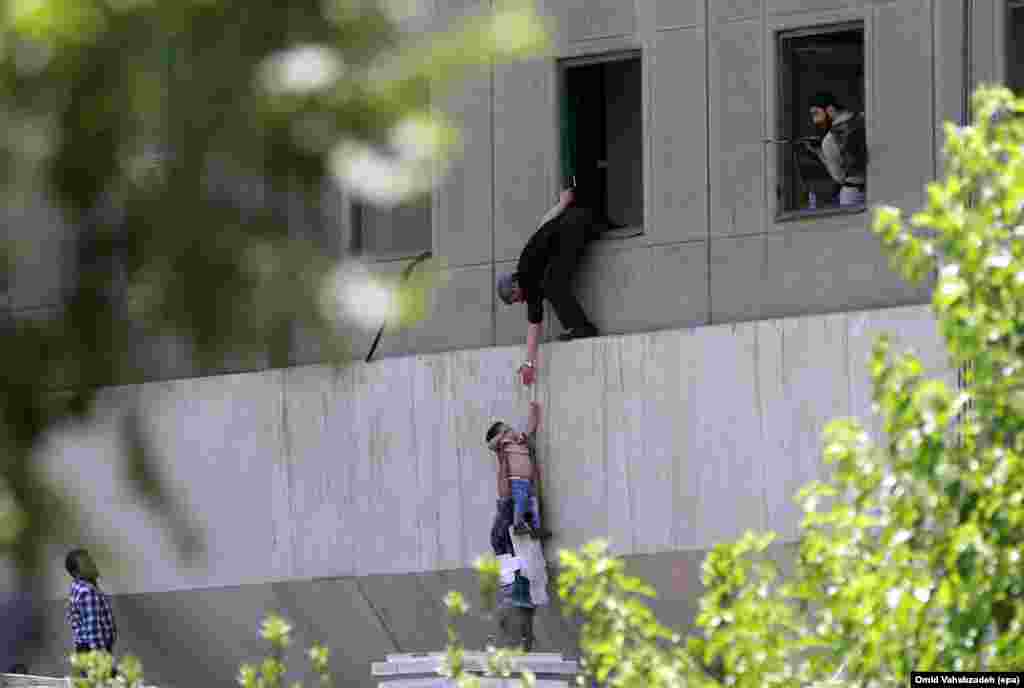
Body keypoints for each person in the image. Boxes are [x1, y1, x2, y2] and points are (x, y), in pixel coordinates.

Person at [496, 187, 602, 387]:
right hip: (577, 219)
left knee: (552, 284)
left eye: (515, 297)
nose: (519, 300)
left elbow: (534, 326)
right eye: (515, 300)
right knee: (551, 281)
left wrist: (563, 206)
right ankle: (579, 326)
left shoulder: (528, 275)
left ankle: (582, 327)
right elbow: (543, 224)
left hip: (576, 225)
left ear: (516, 284)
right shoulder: (528, 276)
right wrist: (562, 204)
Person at [485, 401, 548, 537]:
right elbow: (490, 445)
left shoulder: (520, 442)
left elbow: (530, 428)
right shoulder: (503, 446)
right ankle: (518, 524)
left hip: (528, 479)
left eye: (510, 428)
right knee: (520, 502)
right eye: (507, 430)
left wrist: (534, 412)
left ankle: (536, 527)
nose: (512, 431)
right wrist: (503, 435)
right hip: (516, 480)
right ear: (500, 437)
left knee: (533, 502)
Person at [804, 93, 867, 207]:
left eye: (816, 113)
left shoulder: (829, 140)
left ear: (830, 110)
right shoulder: (866, 118)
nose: (815, 120)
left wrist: (819, 152)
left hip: (853, 194)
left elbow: (839, 178)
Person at [64, 549, 118, 666]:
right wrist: (103, 662)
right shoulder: (88, 592)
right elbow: (94, 632)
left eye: (91, 561)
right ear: (76, 573)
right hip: (94, 652)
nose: (93, 565)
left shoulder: (77, 587)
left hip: (85, 651)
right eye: (86, 564)